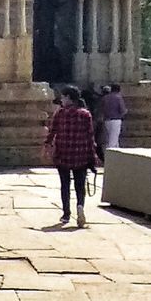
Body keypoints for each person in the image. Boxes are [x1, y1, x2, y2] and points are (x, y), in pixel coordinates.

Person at [45, 84, 102, 227]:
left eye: (63, 97)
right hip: (80, 155)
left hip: (62, 154)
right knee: (80, 185)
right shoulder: (85, 114)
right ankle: (80, 206)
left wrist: (47, 145)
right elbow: (90, 137)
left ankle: (66, 214)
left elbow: (52, 132)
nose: (61, 100)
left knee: (65, 185)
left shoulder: (60, 113)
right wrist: (93, 156)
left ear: (69, 98)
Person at [98, 83, 126, 151]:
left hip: (107, 120)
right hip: (116, 120)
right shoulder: (118, 97)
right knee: (113, 141)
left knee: (110, 140)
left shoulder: (105, 98)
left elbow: (101, 109)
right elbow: (122, 110)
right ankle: (110, 157)